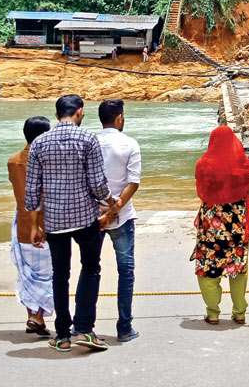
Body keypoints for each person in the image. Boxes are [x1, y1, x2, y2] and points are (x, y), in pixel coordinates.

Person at [25, 94, 113, 353]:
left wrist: (34, 224)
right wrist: (111, 201)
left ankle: (62, 334)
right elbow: (97, 183)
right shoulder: (88, 138)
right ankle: (84, 328)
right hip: (85, 218)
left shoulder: (39, 143)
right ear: (79, 112)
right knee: (91, 269)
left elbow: (32, 191)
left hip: (54, 221)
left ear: (57, 114)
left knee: (60, 276)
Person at [191, 124, 249, 325]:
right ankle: (239, 312)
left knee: (208, 266)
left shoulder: (203, 164)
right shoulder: (243, 164)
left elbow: (201, 193)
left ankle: (213, 312)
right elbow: (247, 189)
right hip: (236, 221)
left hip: (211, 223)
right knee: (237, 265)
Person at [95, 99, 142, 342]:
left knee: (90, 269)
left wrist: (103, 213)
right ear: (119, 118)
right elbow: (133, 182)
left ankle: (84, 326)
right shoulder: (129, 143)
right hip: (121, 215)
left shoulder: (89, 142)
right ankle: (124, 327)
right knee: (126, 271)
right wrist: (114, 211)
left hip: (93, 216)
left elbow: (86, 181)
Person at [7, 116, 54, 336]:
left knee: (27, 272)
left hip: (22, 222)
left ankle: (32, 316)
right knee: (48, 272)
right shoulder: (48, 160)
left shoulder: (13, 160)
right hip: (46, 223)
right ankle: (37, 316)